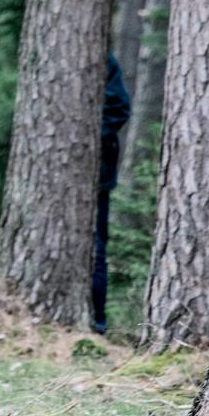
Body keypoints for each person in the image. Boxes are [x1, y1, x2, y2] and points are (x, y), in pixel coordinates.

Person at [92, 52, 131, 334]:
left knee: (95, 246)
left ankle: (98, 321)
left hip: (97, 172)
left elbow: (120, 107)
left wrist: (89, 138)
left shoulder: (101, 59)